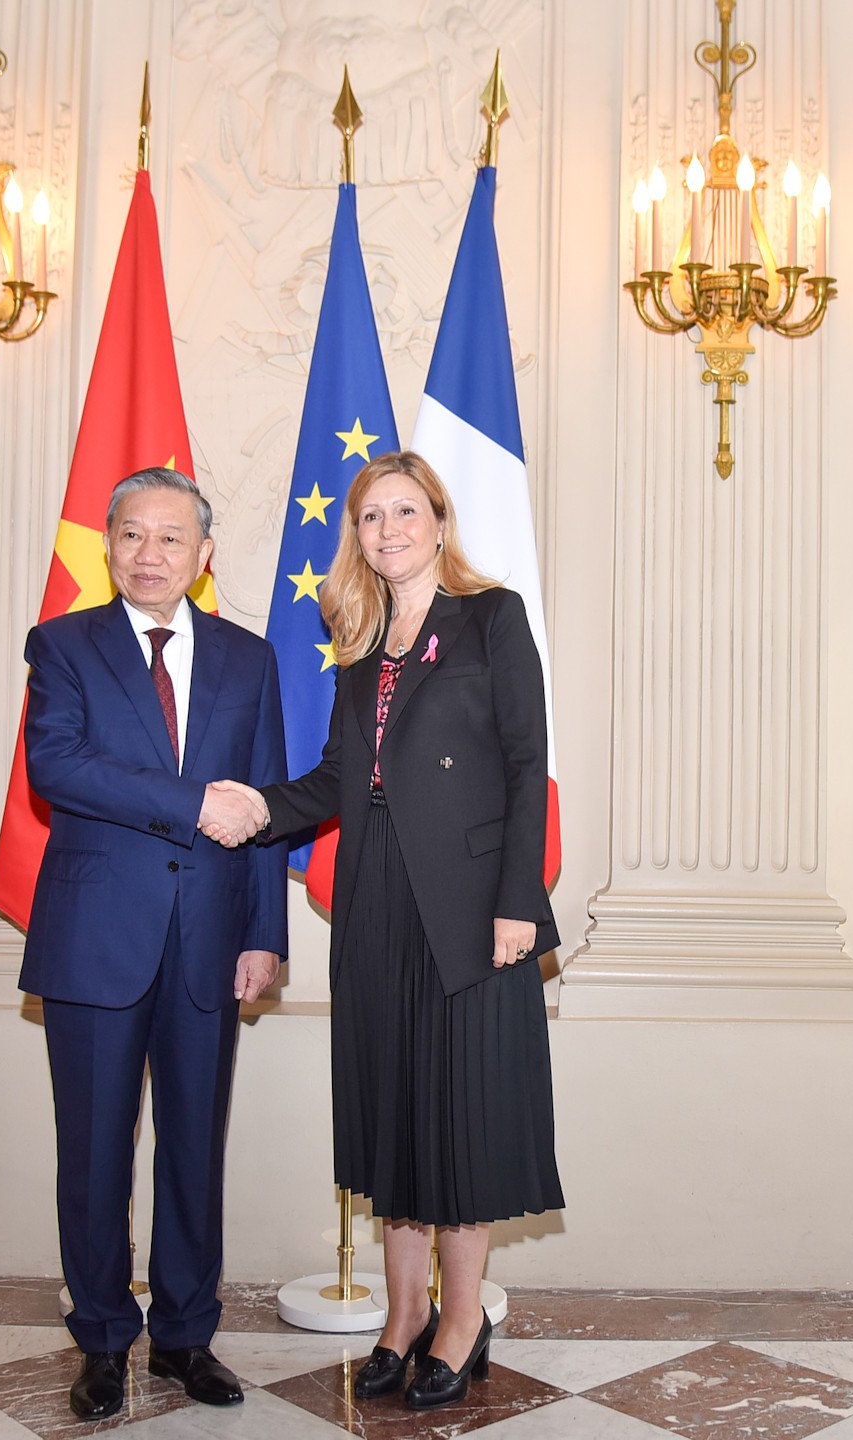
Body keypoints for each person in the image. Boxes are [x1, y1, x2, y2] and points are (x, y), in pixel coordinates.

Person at [208, 450, 562, 1411]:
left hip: (472, 914)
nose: (387, 529)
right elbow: (338, 780)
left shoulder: (492, 618)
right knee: (395, 1117)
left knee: (462, 1122)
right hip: (376, 911)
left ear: (440, 522)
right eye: (370, 516)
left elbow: (530, 766)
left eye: (405, 511)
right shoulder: (360, 648)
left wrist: (517, 906)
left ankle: (461, 1317)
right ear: (356, 538)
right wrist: (255, 806)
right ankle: (402, 1317)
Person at [18, 467, 286, 1422]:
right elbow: (58, 766)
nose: (150, 555)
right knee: (92, 1150)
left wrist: (264, 933)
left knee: (193, 1149)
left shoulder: (250, 660)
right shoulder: (62, 645)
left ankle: (183, 1336)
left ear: (203, 555)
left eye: (172, 538)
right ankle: (98, 1338)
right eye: (133, 535)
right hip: (96, 938)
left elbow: (261, 806)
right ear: (107, 544)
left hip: (212, 940)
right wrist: (189, 803)